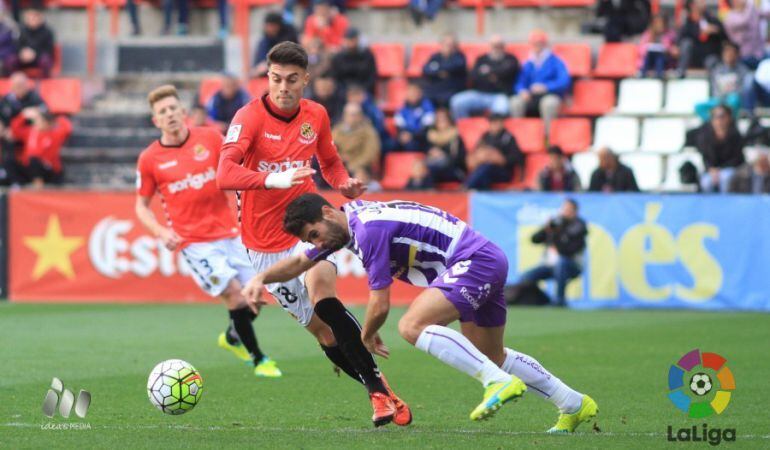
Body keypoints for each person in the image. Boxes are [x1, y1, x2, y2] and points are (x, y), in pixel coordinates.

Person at [244, 193, 598, 431]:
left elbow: (379, 303)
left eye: (315, 234)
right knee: (492, 354)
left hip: (473, 261)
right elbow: (295, 264)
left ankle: (497, 382)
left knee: (413, 325)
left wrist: (366, 335)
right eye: (312, 241)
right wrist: (260, 277)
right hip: (485, 259)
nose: (317, 244)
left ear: (326, 213)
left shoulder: (368, 230)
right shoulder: (352, 222)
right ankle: (573, 404)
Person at [215, 42, 411, 427]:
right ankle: (381, 389)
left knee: (325, 298)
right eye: (275, 79)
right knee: (323, 335)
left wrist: (344, 184)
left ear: (306, 79)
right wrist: (276, 178)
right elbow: (224, 174)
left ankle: (378, 393)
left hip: (309, 226)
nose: (283, 87)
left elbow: (330, 161)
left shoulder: (316, 114)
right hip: (264, 243)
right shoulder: (249, 117)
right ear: (267, 77)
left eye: (291, 79)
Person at [134, 85, 280, 379]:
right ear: (156, 121)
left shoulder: (211, 139)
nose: (169, 114)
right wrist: (161, 232)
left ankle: (232, 337)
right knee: (235, 297)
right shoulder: (150, 158)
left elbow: (237, 164)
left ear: (184, 113)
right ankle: (259, 359)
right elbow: (141, 206)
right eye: (162, 112)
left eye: (173, 108)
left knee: (256, 295)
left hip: (229, 233)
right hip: (194, 243)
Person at [518, 199, 587, 307]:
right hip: (550, 266)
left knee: (561, 263)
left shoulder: (579, 226)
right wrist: (547, 229)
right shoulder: (556, 223)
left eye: (568, 209)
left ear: (575, 212)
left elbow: (567, 251)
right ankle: (545, 301)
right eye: (564, 208)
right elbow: (534, 239)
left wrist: (556, 233)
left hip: (572, 265)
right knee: (526, 278)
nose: (565, 212)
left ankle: (560, 300)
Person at [509, 30, 571, 134]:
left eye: (539, 44)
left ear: (545, 44)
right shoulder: (528, 63)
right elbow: (519, 82)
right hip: (531, 97)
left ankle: (548, 137)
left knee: (549, 104)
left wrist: (546, 87)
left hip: (550, 95)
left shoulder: (555, 61)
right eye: (534, 44)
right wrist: (522, 91)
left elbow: (564, 81)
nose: (537, 47)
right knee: (515, 102)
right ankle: (519, 134)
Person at [450, 35, 519, 119]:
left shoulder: (510, 59)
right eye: (494, 45)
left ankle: (494, 132)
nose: (497, 48)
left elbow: (507, 71)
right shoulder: (481, 59)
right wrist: (495, 76)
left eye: (499, 45)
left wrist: (488, 72)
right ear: (490, 46)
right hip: (479, 93)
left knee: (501, 110)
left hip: (499, 95)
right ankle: (465, 128)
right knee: (457, 102)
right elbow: (474, 76)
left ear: (503, 46)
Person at [9, 107, 70, 188]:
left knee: (34, 160)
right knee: (10, 162)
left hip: (48, 169)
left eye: (39, 120)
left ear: (47, 123)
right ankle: (18, 186)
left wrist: (56, 115)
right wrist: (23, 115)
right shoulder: (30, 132)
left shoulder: (55, 134)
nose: (36, 123)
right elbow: (15, 129)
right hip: (30, 167)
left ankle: (38, 185)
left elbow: (67, 127)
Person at [694, 104, 744, 193]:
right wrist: (711, 169)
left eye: (722, 116)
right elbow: (705, 157)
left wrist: (720, 169)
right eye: (715, 116)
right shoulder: (705, 135)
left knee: (726, 178)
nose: (719, 120)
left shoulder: (735, 135)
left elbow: (737, 159)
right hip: (712, 170)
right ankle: (708, 206)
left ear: (728, 118)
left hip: (730, 168)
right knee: (706, 182)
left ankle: (725, 205)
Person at [694, 41, 750, 121]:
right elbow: (714, 88)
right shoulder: (717, 70)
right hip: (719, 100)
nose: (729, 55)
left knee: (734, 99)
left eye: (731, 52)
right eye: (726, 52)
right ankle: (714, 125)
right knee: (699, 107)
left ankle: (730, 124)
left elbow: (743, 90)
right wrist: (720, 100)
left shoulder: (743, 71)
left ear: (737, 55)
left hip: (733, 101)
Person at [466, 114, 523, 190]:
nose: (494, 125)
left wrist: (502, 159)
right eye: (492, 123)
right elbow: (477, 151)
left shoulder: (508, 137)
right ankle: (480, 194)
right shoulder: (485, 136)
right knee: (484, 173)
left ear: (502, 123)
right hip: (485, 168)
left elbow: (517, 157)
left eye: (497, 122)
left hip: (504, 171)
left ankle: (465, 187)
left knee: (486, 167)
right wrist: (482, 156)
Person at [675, 0, 726, 77]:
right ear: (692, 5)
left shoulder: (711, 19)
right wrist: (699, 32)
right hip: (693, 57)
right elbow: (681, 39)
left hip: (708, 56)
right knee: (686, 43)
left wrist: (716, 30)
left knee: (712, 62)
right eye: (700, 1)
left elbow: (724, 36)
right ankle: (680, 71)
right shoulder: (687, 22)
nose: (703, 3)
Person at [332, 102, 380, 174]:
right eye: (351, 115)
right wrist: (340, 158)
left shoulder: (368, 132)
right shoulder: (336, 131)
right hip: (339, 164)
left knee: (359, 175)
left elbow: (370, 153)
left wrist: (353, 164)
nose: (354, 118)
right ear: (344, 116)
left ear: (361, 116)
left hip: (359, 166)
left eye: (356, 115)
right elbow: (330, 148)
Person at [422, 34, 467, 107]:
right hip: (435, 90)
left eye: (451, 45)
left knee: (456, 101)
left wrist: (438, 69)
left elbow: (455, 67)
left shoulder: (459, 57)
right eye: (446, 44)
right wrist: (441, 72)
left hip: (453, 90)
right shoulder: (435, 57)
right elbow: (426, 70)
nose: (448, 47)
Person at [329, 28, 377, 95]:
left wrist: (362, 91)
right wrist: (346, 92)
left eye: (353, 40)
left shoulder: (367, 55)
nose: (350, 43)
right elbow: (335, 79)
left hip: (363, 92)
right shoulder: (338, 57)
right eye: (348, 40)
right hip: (343, 93)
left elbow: (372, 76)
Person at [251, 12, 299, 78]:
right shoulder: (265, 40)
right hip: (267, 73)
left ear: (277, 26)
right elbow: (259, 61)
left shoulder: (289, 37)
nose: (268, 28)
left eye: (270, 26)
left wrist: (268, 65)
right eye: (267, 26)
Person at [425, 108, 466, 184]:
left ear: (449, 120)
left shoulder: (455, 137)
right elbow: (426, 153)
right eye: (438, 119)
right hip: (434, 166)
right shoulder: (431, 136)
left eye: (443, 119)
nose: (441, 122)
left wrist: (443, 155)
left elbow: (459, 160)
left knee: (431, 170)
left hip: (453, 170)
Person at [394, 82, 435, 152]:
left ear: (419, 93)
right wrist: (403, 134)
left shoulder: (427, 107)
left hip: (421, 139)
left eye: (414, 92)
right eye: (409, 92)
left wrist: (412, 135)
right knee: (391, 144)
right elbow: (400, 126)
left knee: (412, 144)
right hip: (406, 138)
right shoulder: (401, 108)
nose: (412, 94)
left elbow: (426, 128)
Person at [724, 0, 764, 69]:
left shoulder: (750, 11)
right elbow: (744, 21)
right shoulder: (730, 17)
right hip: (743, 56)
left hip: (759, 54)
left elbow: (765, 14)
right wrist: (751, 4)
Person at [14, 8, 54, 78]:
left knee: (46, 61)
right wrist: (22, 52)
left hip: (38, 59)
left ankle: (45, 82)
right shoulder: (21, 30)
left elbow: (49, 50)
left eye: (35, 18)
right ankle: (13, 83)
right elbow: (16, 45)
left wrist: (35, 54)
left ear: (40, 19)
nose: (33, 20)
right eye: (30, 18)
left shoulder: (47, 32)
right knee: (10, 60)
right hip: (23, 59)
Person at [637, 14, 677, 79]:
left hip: (665, 62)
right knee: (650, 56)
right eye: (657, 23)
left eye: (661, 23)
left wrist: (667, 49)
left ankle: (659, 75)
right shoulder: (647, 35)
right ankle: (643, 74)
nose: (659, 26)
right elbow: (641, 50)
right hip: (649, 61)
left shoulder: (669, 35)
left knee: (659, 57)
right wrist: (649, 45)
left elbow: (672, 49)